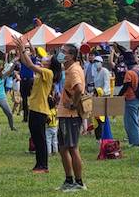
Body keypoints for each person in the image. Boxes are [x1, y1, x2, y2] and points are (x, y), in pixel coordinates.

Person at [13, 36, 62, 174]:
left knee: (40, 138)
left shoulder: (48, 72)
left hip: (41, 110)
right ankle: (39, 164)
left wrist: (23, 49)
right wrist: (20, 50)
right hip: (35, 107)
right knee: (36, 137)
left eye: (48, 58)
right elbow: (25, 63)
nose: (45, 57)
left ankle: (43, 166)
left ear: (50, 64)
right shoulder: (43, 70)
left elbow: (30, 65)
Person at [56, 44, 86, 191]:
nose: (60, 54)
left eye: (63, 52)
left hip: (71, 115)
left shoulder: (73, 70)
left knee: (73, 148)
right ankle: (69, 180)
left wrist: (73, 105)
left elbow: (79, 89)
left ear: (71, 56)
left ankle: (79, 183)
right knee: (63, 148)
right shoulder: (70, 69)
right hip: (64, 115)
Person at [119, 60, 139, 147]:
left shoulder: (129, 73)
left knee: (131, 122)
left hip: (131, 99)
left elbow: (126, 86)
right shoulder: (138, 72)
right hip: (138, 99)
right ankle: (136, 141)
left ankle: (135, 143)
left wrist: (119, 95)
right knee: (136, 120)